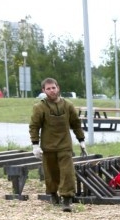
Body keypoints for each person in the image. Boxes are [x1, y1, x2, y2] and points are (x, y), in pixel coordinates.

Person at [29, 78, 86, 212]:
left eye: (53, 87)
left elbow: (76, 124)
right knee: (51, 173)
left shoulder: (68, 105)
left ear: (58, 88)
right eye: (48, 88)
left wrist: (81, 141)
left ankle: (67, 200)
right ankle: (54, 195)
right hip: (48, 147)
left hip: (65, 146)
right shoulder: (40, 107)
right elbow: (34, 126)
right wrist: (35, 145)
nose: (51, 91)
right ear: (44, 91)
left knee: (67, 173)